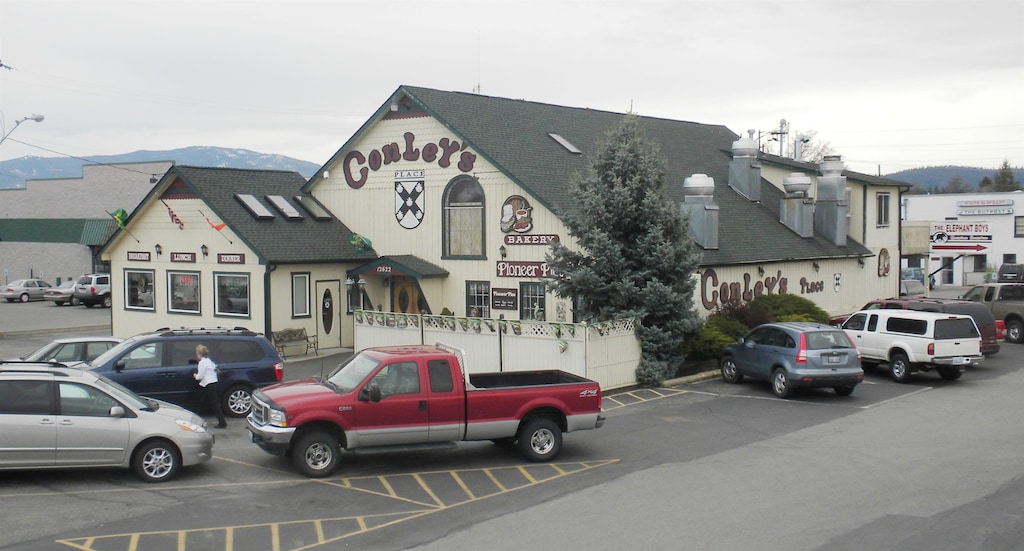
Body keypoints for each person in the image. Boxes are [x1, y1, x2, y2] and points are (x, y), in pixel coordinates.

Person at [193, 344, 226, 428]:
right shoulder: (209, 360)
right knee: (211, 403)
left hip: (208, 384)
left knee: (207, 403)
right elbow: (215, 369)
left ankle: (222, 423)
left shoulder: (202, 363)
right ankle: (222, 422)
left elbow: (200, 376)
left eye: (197, 354)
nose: (196, 356)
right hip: (213, 382)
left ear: (200, 354)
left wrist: (195, 375)